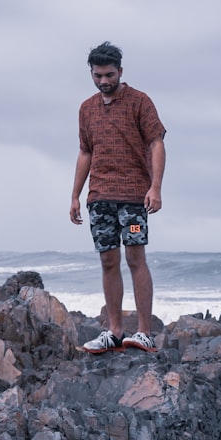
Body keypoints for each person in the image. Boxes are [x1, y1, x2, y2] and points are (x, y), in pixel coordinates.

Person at [70, 42, 166, 353]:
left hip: (134, 196)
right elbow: (85, 152)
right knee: (108, 261)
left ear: (120, 72)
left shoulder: (140, 102)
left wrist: (156, 187)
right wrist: (75, 195)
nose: (103, 81)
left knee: (135, 259)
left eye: (109, 75)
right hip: (99, 197)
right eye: (97, 76)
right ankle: (113, 331)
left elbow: (156, 144)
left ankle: (144, 332)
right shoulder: (86, 108)